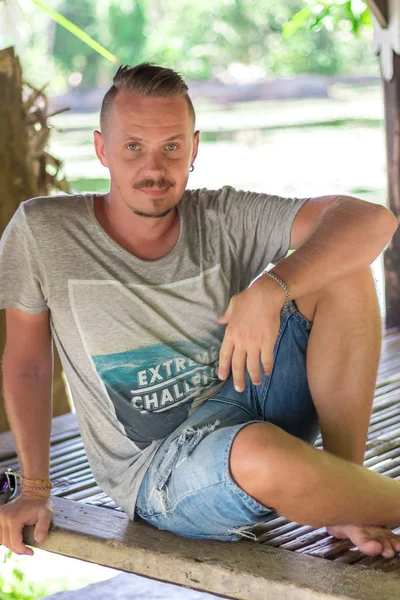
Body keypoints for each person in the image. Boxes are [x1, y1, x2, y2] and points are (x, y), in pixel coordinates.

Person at [0, 62, 399, 560]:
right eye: (133, 147)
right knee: (257, 451)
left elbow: (372, 221)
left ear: (194, 148)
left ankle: (347, 495)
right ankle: (360, 494)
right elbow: (28, 363)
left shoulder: (221, 214)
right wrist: (34, 489)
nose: (154, 168)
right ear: (102, 149)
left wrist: (271, 288)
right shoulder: (43, 232)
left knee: (340, 266)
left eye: (171, 146)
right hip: (161, 469)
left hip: (248, 390)